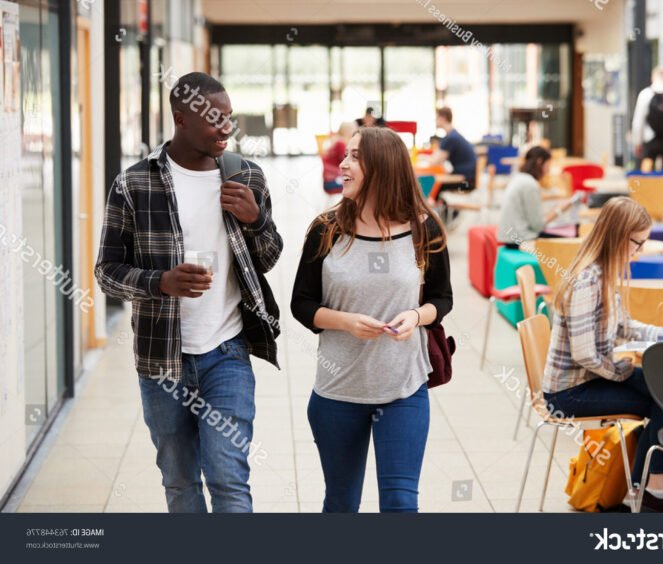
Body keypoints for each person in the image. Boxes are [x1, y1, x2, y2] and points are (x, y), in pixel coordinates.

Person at [95, 72, 283, 513]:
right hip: (161, 358)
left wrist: (256, 221)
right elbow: (106, 272)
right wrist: (160, 282)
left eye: (229, 118)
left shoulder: (246, 176)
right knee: (179, 483)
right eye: (214, 118)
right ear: (180, 119)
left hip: (227, 351)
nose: (226, 128)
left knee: (229, 480)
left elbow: (270, 258)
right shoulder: (134, 184)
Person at [290, 126, 452, 512]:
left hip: (404, 387)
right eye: (345, 155)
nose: (343, 164)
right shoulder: (326, 230)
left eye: (355, 157)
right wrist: (346, 322)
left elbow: (441, 299)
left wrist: (416, 316)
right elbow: (302, 303)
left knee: (400, 504)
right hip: (338, 391)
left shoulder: (422, 228)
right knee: (342, 503)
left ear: (383, 167)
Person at [541, 197, 663, 512]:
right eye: (637, 243)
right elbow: (585, 355)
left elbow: (623, 327)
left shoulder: (602, 274)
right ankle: (649, 493)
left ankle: (646, 489)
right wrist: (625, 373)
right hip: (568, 392)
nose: (639, 251)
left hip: (587, 380)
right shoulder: (588, 282)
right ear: (619, 237)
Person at [497, 146, 577, 248]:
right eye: (548, 165)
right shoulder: (530, 184)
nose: (548, 170)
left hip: (509, 237)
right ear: (540, 162)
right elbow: (537, 226)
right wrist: (559, 210)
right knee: (572, 242)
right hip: (521, 240)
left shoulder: (518, 178)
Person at [631, 67, 663, 171]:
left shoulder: (645, 94)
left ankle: (648, 187)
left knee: (647, 171)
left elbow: (638, 121)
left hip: (649, 139)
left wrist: (637, 142)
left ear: (653, 77)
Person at [431, 106, 477, 193]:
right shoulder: (454, 135)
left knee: (433, 184)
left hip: (465, 184)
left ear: (443, 118)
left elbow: (434, 161)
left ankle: (435, 206)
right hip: (468, 180)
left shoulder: (451, 138)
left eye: (436, 118)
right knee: (436, 182)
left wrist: (423, 158)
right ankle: (438, 205)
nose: (435, 121)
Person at [321, 121, 357, 193]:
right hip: (333, 182)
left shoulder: (336, 140)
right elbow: (347, 163)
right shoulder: (341, 144)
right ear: (348, 131)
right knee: (359, 184)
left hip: (328, 181)